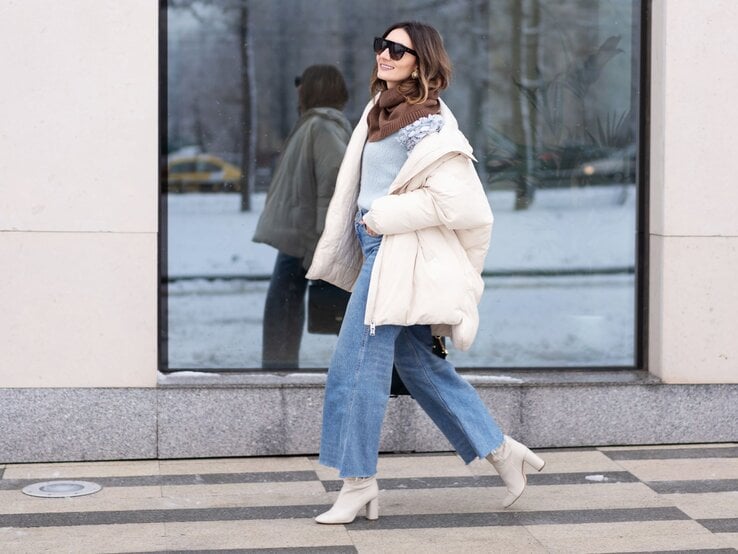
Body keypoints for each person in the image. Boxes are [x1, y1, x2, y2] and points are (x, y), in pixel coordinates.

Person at [306, 22, 545, 524]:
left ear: (422, 61)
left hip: (395, 253)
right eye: (381, 45)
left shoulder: (429, 125)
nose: (385, 55)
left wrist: (382, 217)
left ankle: (358, 481)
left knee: (354, 366)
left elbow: (457, 204)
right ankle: (502, 451)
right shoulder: (380, 111)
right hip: (378, 248)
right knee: (419, 366)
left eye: (398, 49)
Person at [253, 65, 352, 369]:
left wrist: (323, 244)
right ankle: (279, 372)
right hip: (301, 235)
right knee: (284, 309)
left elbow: (334, 183)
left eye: (302, 84)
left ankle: (278, 375)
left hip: (305, 238)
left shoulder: (322, 126)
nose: (298, 90)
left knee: (282, 309)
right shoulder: (316, 124)